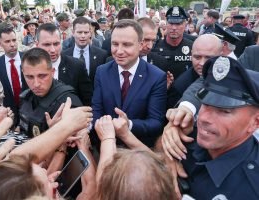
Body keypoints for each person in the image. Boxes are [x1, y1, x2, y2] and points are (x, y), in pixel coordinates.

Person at [160, 56, 259, 200]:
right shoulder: (192, 138)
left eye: (224, 111)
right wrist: (168, 149)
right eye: (205, 104)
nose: (204, 118)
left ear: (255, 123)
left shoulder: (252, 188)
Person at [92, 19, 167, 147]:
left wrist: (129, 124)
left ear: (140, 44)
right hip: (106, 147)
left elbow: (156, 123)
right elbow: (96, 111)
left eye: (126, 45)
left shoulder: (157, 76)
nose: (119, 51)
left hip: (139, 151)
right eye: (115, 44)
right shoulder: (102, 71)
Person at [19, 48, 82, 138]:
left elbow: (78, 147)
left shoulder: (67, 103)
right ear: (23, 73)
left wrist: (56, 134)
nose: (36, 84)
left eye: (42, 76)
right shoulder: (26, 97)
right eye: (29, 77)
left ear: (52, 72)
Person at [36, 23, 92, 106]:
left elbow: (87, 100)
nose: (52, 49)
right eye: (47, 44)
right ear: (37, 45)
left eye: (56, 44)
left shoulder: (77, 66)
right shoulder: (30, 68)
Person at [167, 34, 222, 109]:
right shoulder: (180, 87)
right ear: (191, 54)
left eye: (208, 58)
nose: (202, 63)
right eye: (197, 57)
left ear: (221, 56)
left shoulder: (231, 75)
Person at [0, 24, 28, 125]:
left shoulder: (28, 59)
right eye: (7, 41)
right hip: (9, 114)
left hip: (30, 110)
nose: (12, 44)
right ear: (0, 43)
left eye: (14, 40)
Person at [63, 17, 107, 86]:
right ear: (73, 33)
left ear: (90, 33)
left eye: (86, 32)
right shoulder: (64, 56)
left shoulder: (101, 55)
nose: (83, 36)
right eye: (79, 32)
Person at [153, 6, 193, 80]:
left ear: (185, 25)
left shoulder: (193, 47)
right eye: (171, 23)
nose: (174, 28)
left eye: (178, 24)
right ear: (166, 24)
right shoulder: (155, 46)